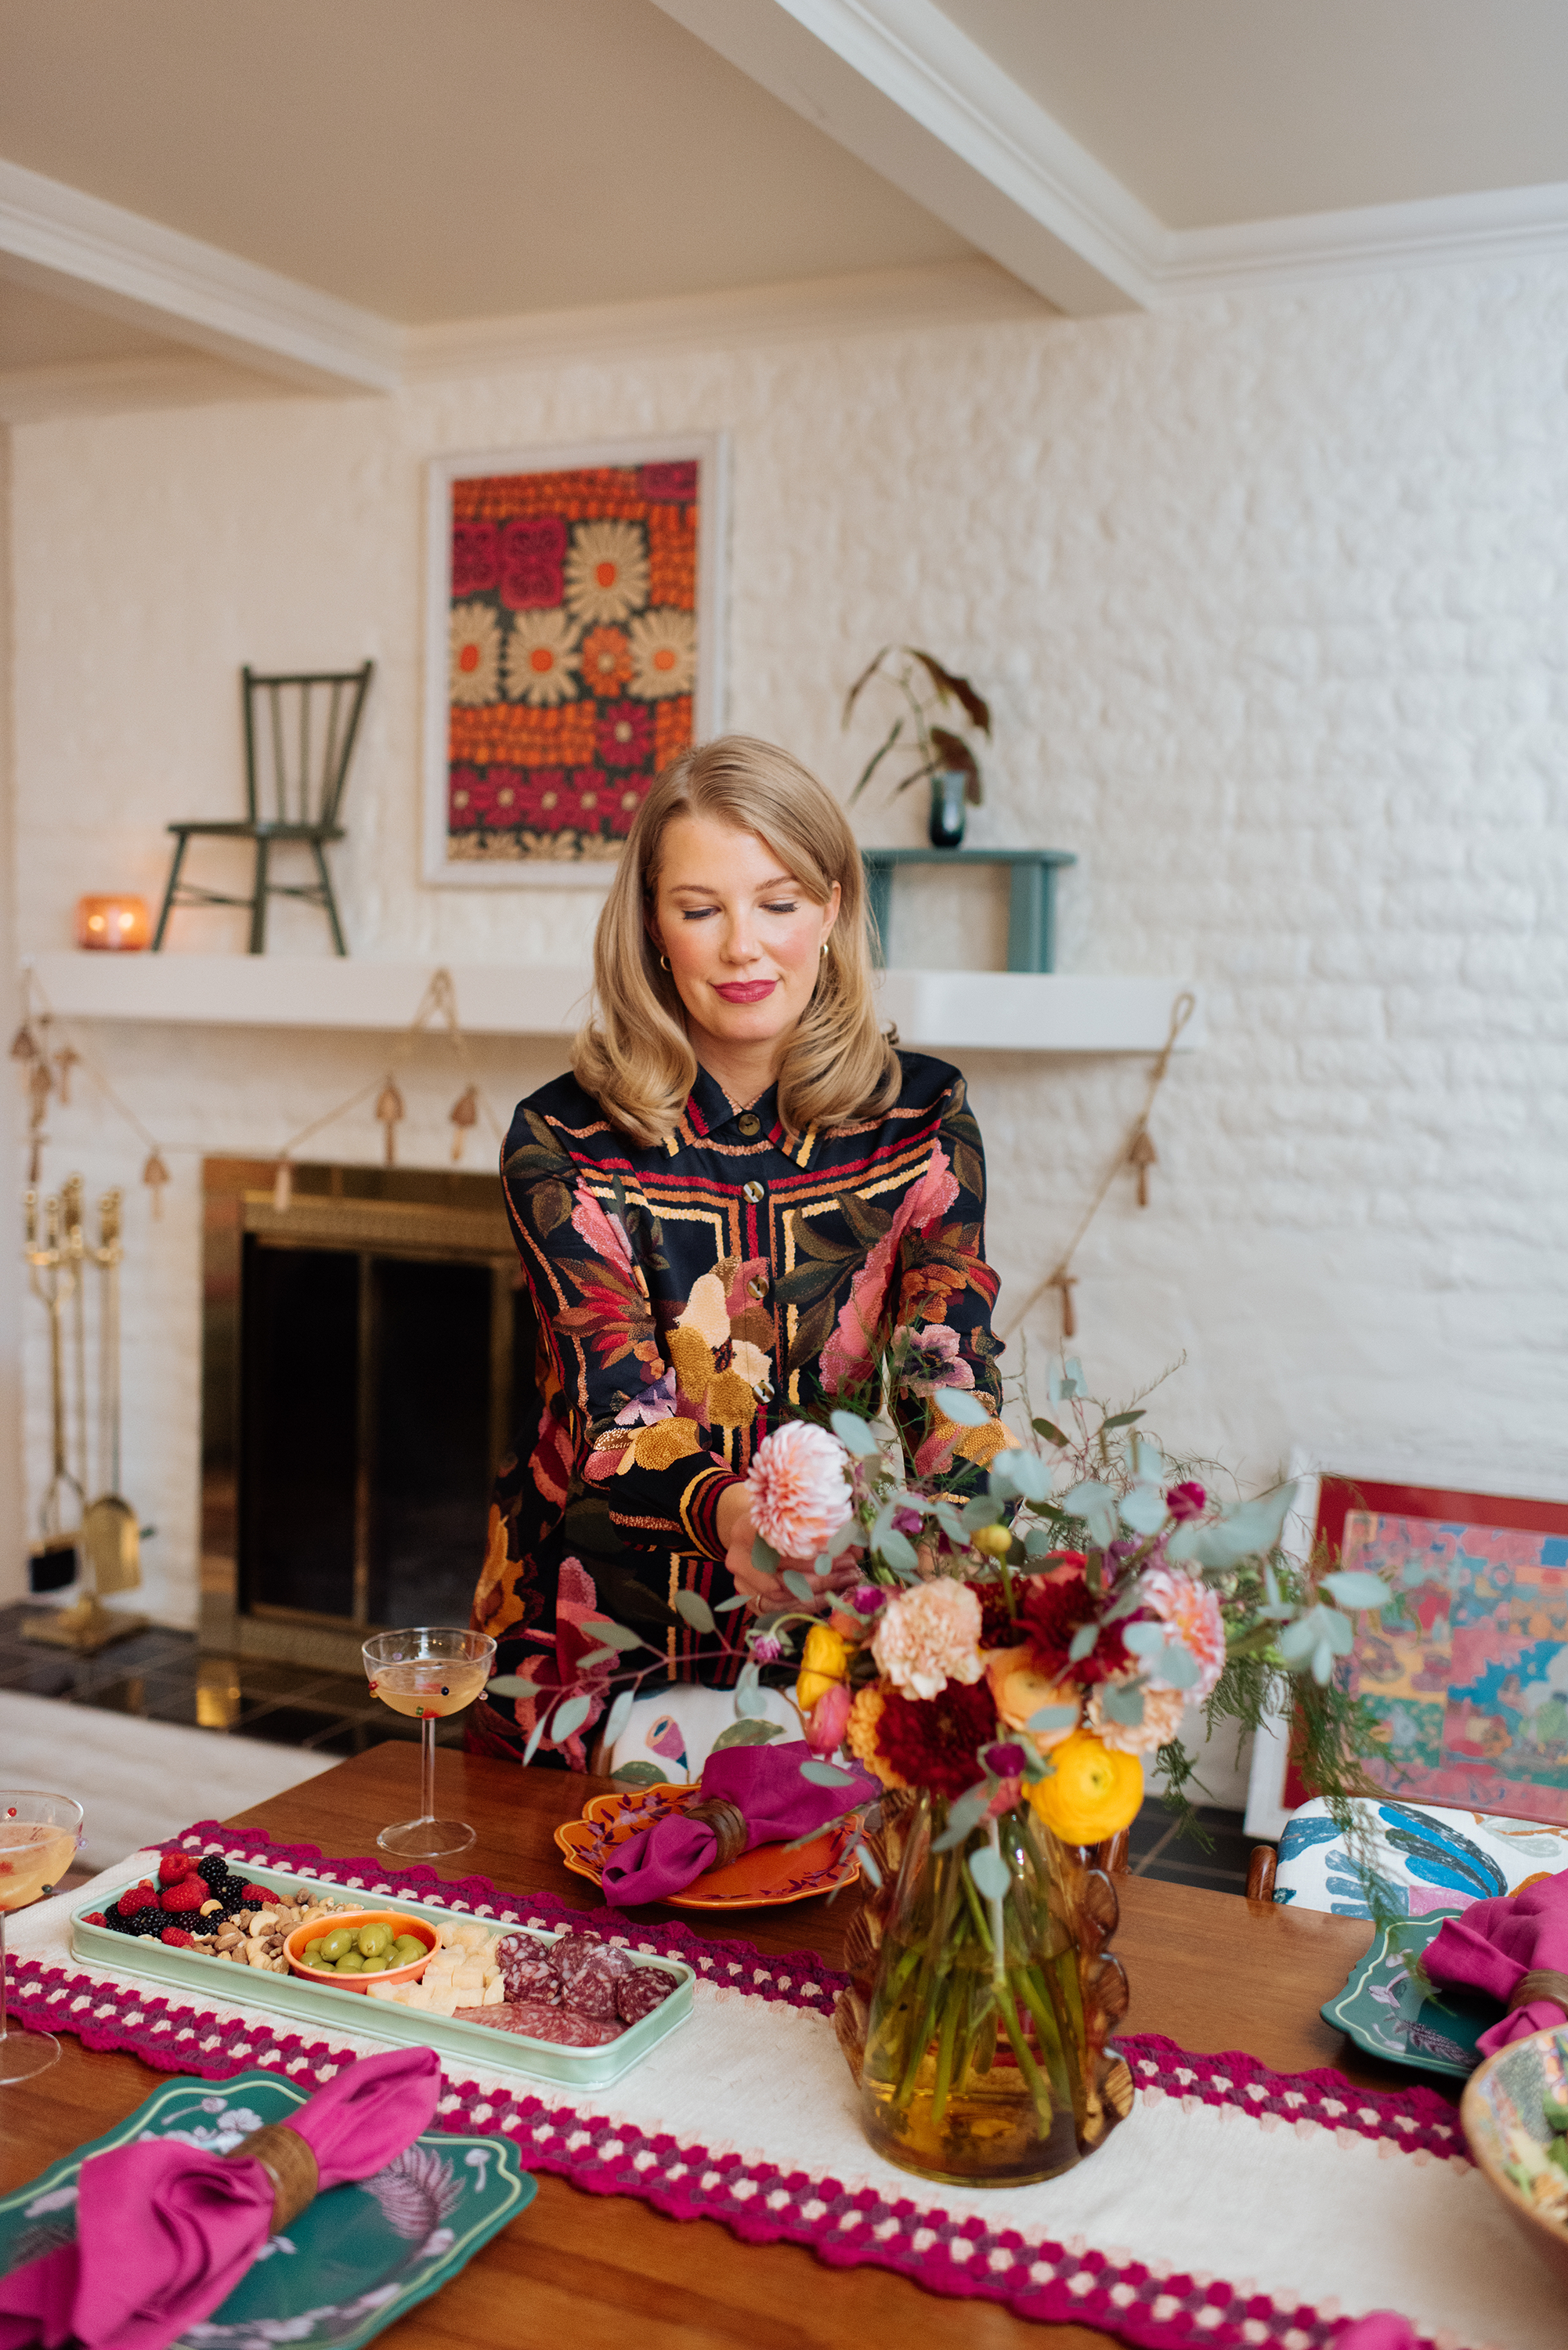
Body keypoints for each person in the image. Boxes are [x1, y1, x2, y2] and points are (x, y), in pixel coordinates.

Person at [467, 735, 1010, 1767]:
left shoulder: (923, 1120)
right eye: (699, 908)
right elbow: (616, 1414)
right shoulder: (563, 1141)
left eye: (779, 901)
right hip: (587, 1649)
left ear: (832, 909)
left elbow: (947, 1372)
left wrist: (977, 1551)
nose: (743, 948)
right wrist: (732, 1518)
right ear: (652, 928)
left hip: (829, 1631)